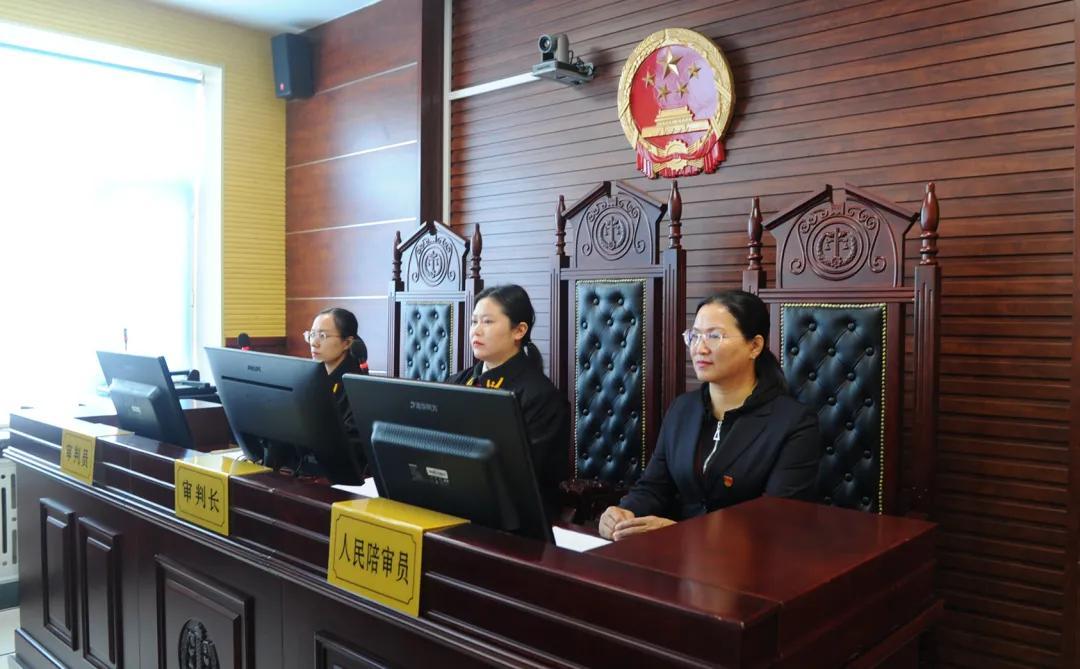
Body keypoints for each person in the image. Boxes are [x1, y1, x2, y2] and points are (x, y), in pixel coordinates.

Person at [599, 290, 821, 541]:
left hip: (751, 560)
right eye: (694, 336)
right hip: (674, 555)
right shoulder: (682, 409)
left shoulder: (794, 423)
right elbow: (653, 487)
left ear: (755, 346)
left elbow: (777, 520)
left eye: (714, 336)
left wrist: (680, 533)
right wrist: (624, 512)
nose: (700, 348)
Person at [450, 285, 570, 517]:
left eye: (487, 322)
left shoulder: (541, 396)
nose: (476, 331)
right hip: (455, 500)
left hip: (512, 517)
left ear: (519, 330)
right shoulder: (456, 382)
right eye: (474, 321)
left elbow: (527, 476)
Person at [304, 307, 367, 466]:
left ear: (347, 343)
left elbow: (351, 447)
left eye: (322, 336)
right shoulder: (310, 378)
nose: (314, 343)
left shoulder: (355, 387)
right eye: (312, 334)